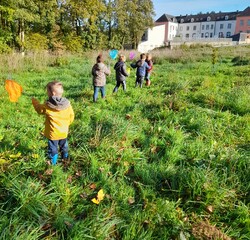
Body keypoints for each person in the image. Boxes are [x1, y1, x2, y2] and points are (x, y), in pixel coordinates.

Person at [32, 81, 74, 165]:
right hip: (64, 132)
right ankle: (65, 159)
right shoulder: (67, 105)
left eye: (47, 91)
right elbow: (71, 116)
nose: (47, 93)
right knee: (64, 146)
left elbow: (39, 110)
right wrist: (66, 124)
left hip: (53, 133)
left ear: (53, 93)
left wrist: (34, 102)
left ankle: (53, 164)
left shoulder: (47, 106)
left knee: (53, 148)